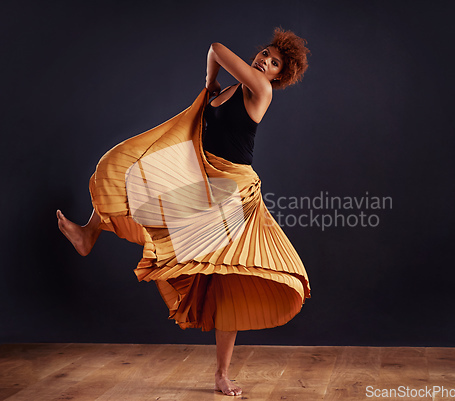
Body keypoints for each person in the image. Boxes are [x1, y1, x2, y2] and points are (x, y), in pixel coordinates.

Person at [57, 27, 310, 397]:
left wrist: (210, 78)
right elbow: (216, 55)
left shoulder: (261, 90)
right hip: (205, 180)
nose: (264, 61)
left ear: (277, 76)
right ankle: (90, 232)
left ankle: (221, 374)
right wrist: (211, 87)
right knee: (130, 177)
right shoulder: (230, 91)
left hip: (232, 191)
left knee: (227, 279)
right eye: (266, 54)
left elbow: (217, 48)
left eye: (273, 63)